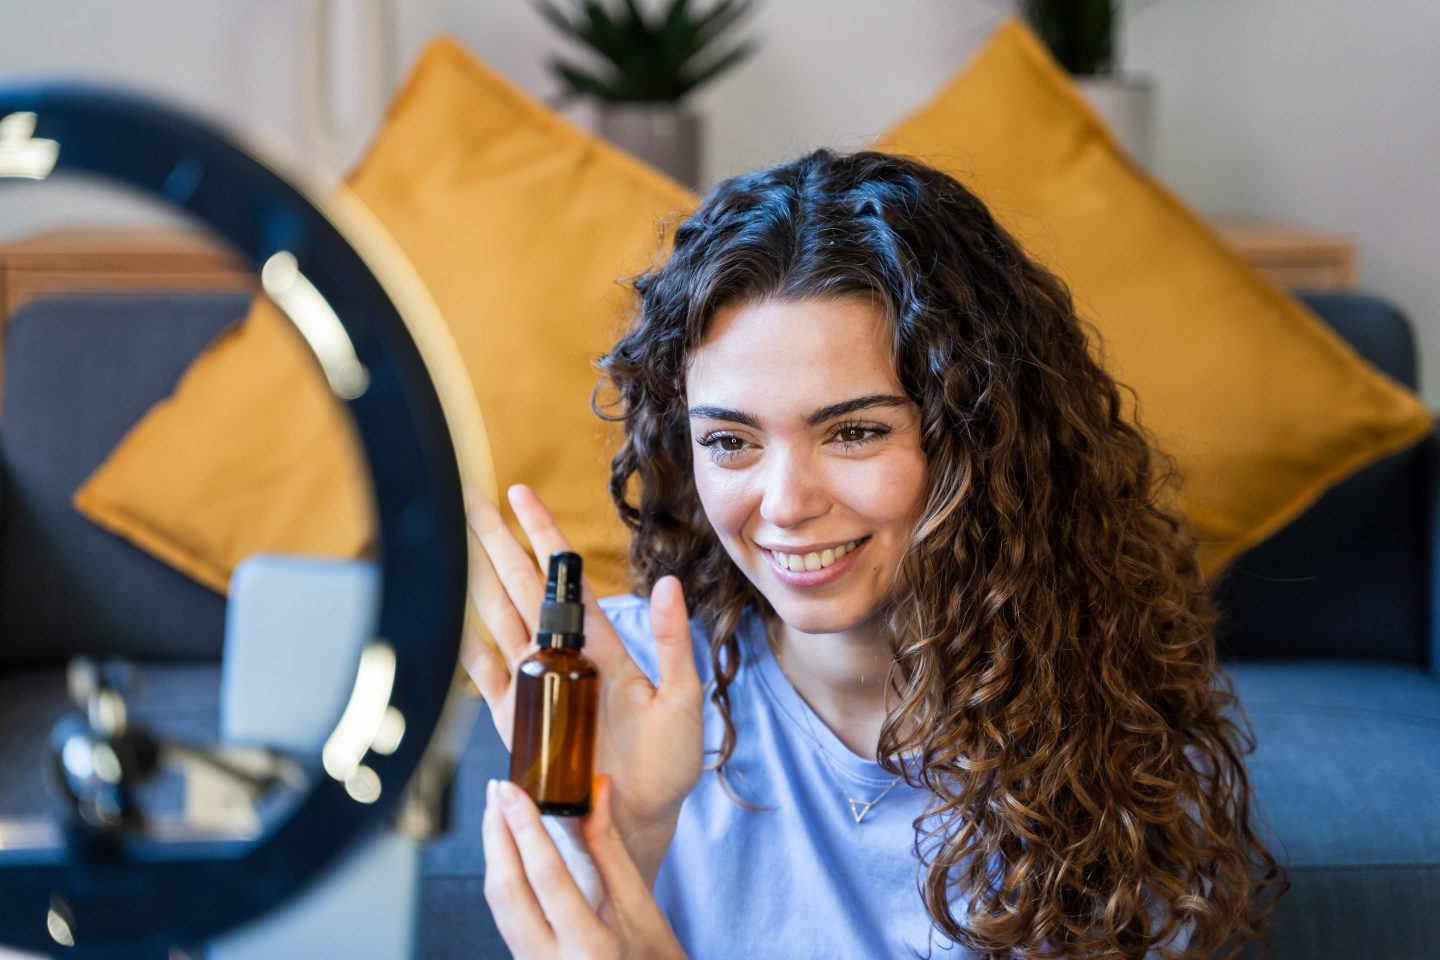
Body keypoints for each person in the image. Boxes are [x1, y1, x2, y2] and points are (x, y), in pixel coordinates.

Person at [464, 149, 1284, 960]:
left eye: (854, 431)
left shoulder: (1096, 734)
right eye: (729, 439)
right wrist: (620, 843)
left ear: (978, 439)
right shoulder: (612, 695)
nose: (785, 504)